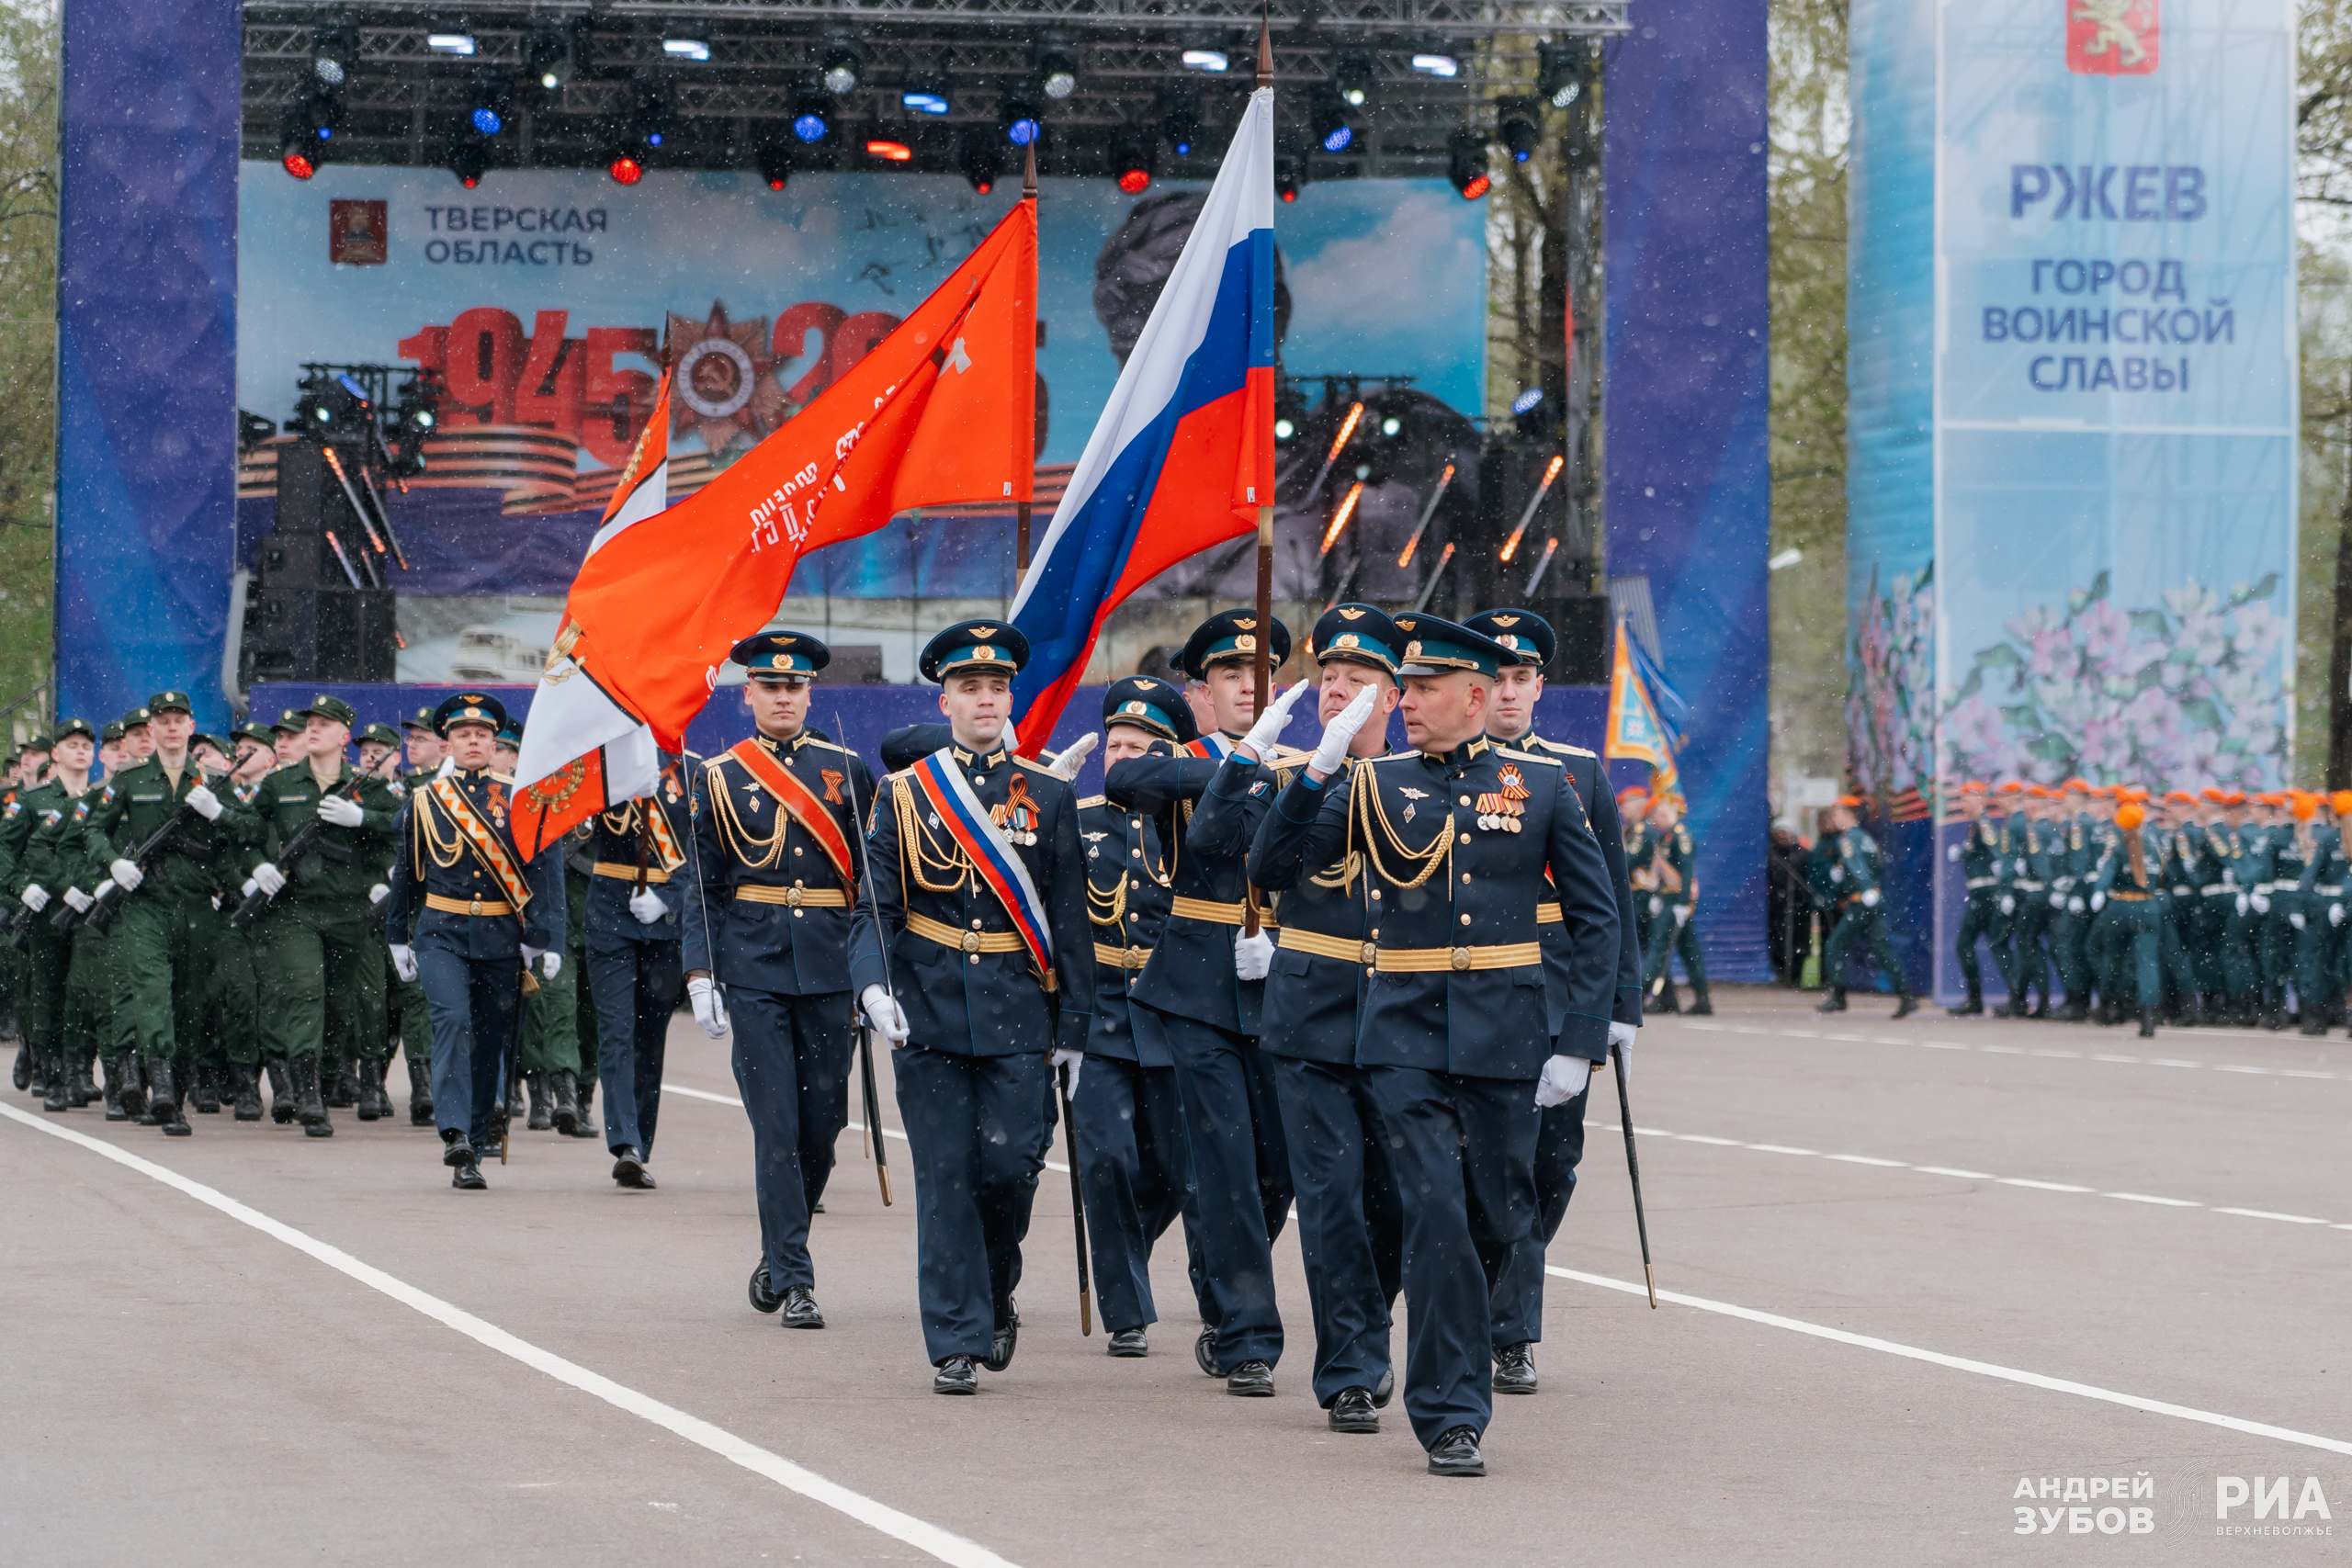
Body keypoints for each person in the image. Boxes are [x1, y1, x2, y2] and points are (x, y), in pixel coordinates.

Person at [1250, 613, 1620, 1478]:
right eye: (1403, 687)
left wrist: (1581, 1040)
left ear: (1476, 697)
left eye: (1420, 689)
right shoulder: (1374, 783)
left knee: (1498, 1215)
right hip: (1402, 1036)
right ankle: (1451, 1412)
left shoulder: (1542, 784)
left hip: (1507, 1035)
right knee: (1437, 1217)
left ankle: (1457, 1353)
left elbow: (1599, 917)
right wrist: (1319, 768)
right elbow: (1272, 865)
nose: (1403, 701)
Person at [848, 621, 1093, 1394]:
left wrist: (1078, 1028)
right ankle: (956, 1337)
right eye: (970, 688)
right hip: (927, 1010)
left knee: (1010, 1169)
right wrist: (872, 985)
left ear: (1009, 697)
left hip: (1021, 1014)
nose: (985, 700)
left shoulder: (1049, 795)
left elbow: (1072, 921)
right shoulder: (903, 793)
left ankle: (994, 1287)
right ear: (945, 698)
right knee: (948, 1174)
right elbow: (876, 907)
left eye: (997, 688)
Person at [1103, 608, 1302, 1397]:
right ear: (1205, 690)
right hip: (1197, 982)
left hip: (1284, 976)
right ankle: (1246, 1330)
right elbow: (1125, 780)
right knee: (1221, 1160)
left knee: (1279, 1168)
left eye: (1260, 674)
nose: (1247, 686)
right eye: (1229, 675)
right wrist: (1238, 763)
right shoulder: (1182, 760)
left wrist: (1275, 763)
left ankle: (1224, 1284)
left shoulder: (1306, 762)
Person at [1462, 604, 1641, 1395]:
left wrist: (1618, 1011)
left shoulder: (1580, 772)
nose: (1508, 692)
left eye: (1522, 677)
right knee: (1479, 1165)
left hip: (1560, 985)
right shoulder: (1435, 769)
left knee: (1551, 1165)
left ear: (1540, 686)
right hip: (1468, 983)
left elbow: (1612, 904)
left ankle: (1501, 1293)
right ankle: (1506, 1328)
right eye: (1495, 678)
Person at [1237, 606, 1407, 1432]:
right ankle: (1350, 1365)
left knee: (1401, 1201)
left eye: (1358, 683)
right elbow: (1263, 868)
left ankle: (1368, 1321)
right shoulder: (1293, 775)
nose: (1338, 694)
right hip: (1312, 1016)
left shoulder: (1424, 779)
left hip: (1406, 1017)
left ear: (1394, 697)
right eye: (1328, 682)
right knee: (1332, 1197)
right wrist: (1312, 776)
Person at [682, 629, 870, 1317]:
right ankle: (795, 1278)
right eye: (770, 685)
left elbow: (873, 884)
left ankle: (779, 1248)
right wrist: (700, 969)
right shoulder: (720, 776)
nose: (783, 695)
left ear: (809, 691)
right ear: (748, 695)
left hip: (828, 965)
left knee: (823, 1126)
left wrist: (877, 973)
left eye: (794, 685)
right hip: (754, 965)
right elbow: (701, 884)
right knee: (777, 1125)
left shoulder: (846, 769)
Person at [1070, 676, 1210, 1359]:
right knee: (1104, 1159)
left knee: (1177, 1172)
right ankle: (1126, 1309)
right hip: (1098, 1014)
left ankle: (1139, 1253)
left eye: (1140, 746)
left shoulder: (1188, 823)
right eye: (1115, 744)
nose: (1122, 756)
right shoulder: (1077, 817)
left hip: (1168, 1012)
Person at [383, 693, 565, 1190]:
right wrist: (397, 935)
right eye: (463, 734)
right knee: (452, 1022)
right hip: (441, 932)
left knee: (491, 1040)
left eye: (482, 734)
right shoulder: (424, 801)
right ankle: (456, 1133)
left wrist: (543, 938)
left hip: (502, 936)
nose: (473, 741)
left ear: (494, 742)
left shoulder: (521, 799)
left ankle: (479, 1139)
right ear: (448, 743)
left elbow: (544, 871)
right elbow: (406, 875)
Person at [223, 694, 402, 1138]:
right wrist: (257, 866)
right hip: (295, 911)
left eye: (324, 724)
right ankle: (307, 1097)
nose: (314, 729)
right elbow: (246, 829)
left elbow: (401, 829)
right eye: (310, 724)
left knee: (338, 1005)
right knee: (305, 991)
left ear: (345, 736)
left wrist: (363, 818)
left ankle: (320, 1083)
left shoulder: (370, 789)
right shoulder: (282, 783)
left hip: (349, 912)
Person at [73, 691, 240, 1136]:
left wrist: (220, 814)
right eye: (162, 720)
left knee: (190, 1001)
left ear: (190, 726)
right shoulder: (129, 780)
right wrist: (113, 862)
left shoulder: (212, 781)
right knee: (151, 992)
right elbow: (92, 828)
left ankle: (175, 1091)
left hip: (197, 905)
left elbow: (251, 832)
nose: (170, 727)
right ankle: (160, 1085)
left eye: (178, 719)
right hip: (145, 904)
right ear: (151, 730)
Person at [5, 718, 99, 1111]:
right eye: (72, 744)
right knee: (48, 993)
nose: (80, 750)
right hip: (47, 914)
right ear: (56, 754)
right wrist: (20, 888)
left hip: (91, 911)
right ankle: (54, 1073)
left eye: (85, 745)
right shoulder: (32, 800)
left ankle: (80, 1071)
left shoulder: (102, 799)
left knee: (87, 992)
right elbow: (4, 851)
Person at [1814, 795, 1917, 1017]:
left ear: (1848, 814)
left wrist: (1865, 886)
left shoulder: (1848, 838)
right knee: (1881, 948)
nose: (1834, 818)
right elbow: (1876, 865)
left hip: (1863, 900)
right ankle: (1906, 995)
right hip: (1873, 898)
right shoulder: (1865, 837)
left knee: (1835, 945)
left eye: (1837, 813)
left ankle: (1839, 996)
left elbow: (1858, 866)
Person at [1635, 793, 1709, 1015]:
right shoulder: (1664, 838)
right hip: (1668, 900)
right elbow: (1660, 872)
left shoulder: (1681, 836)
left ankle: (1643, 995)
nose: (1653, 823)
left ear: (1663, 812)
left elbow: (1686, 872)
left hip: (1678, 902)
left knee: (1659, 949)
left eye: (1653, 817)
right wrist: (1658, 896)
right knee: (1689, 950)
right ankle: (1701, 999)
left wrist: (1683, 902)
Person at [1946, 783, 2016, 1016]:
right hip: (1982, 893)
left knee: (1968, 944)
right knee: (1996, 945)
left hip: (1985, 894)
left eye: (1966, 799)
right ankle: (2013, 997)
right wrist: (1965, 853)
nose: (1962, 804)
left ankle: (1980, 998)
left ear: (1978, 799)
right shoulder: (1976, 827)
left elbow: (1996, 851)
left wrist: (2000, 875)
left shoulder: (1984, 825)